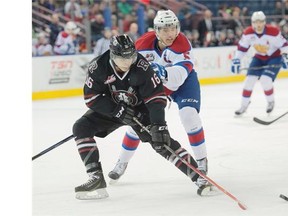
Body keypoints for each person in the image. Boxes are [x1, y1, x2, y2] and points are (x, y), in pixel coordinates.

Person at [72, 34, 204, 200]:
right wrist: (116, 110)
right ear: (113, 56)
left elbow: (156, 97)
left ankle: (198, 176)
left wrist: (158, 124)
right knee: (80, 128)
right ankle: (96, 177)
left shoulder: (142, 66)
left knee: (161, 141)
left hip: (139, 110)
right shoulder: (98, 67)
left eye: (131, 57)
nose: (128, 62)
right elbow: (91, 97)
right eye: (123, 59)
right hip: (113, 108)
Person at [108, 10, 213, 196]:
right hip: (155, 86)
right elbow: (129, 71)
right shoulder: (142, 44)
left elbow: (179, 77)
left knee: (189, 115)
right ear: (156, 30)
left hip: (183, 83)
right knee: (137, 122)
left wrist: (163, 73)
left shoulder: (182, 44)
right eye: (164, 29)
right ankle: (121, 162)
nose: (169, 33)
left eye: (172, 28)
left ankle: (202, 161)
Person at [231, 11, 288, 115]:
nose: (258, 24)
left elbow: (284, 45)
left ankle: (270, 102)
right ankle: (244, 105)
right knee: (249, 80)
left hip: (274, 57)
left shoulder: (273, 31)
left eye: (261, 22)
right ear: (252, 22)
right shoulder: (248, 33)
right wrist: (236, 59)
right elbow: (242, 48)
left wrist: (285, 56)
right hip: (258, 57)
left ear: (264, 22)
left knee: (265, 79)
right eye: (256, 22)